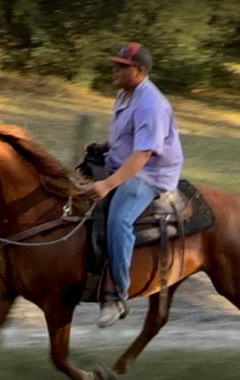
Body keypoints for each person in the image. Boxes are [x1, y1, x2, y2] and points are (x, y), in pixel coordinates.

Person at [88, 42, 184, 328]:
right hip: (124, 161)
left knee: (119, 219)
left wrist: (108, 184)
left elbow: (143, 154)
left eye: (122, 66)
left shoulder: (151, 104)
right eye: (115, 64)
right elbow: (129, 137)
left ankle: (117, 294)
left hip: (150, 174)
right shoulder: (124, 93)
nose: (115, 69)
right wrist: (104, 147)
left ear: (139, 71)